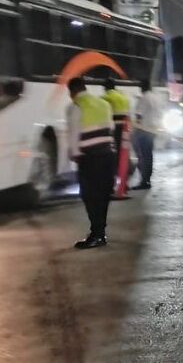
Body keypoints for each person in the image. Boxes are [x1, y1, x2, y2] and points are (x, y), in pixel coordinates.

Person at [66, 77, 115, 249]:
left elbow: (73, 135)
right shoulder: (103, 104)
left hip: (89, 158)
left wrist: (74, 155)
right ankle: (100, 232)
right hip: (107, 156)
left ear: (72, 91)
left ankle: (97, 235)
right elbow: (111, 128)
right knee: (103, 196)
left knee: (90, 196)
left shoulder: (75, 107)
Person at [131, 79, 164, 190]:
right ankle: (147, 179)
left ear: (142, 87)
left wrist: (135, 128)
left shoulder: (144, 98)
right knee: (149, 155)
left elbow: (138, 115)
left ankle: (144, 181)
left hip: (144, 130)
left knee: (143, 156)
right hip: (153, 129)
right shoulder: (156, 97)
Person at [102, 77, 131, 185]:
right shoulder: (123, 97)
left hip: (114, 129)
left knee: (114, 154)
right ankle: (125, 181)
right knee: (123, 153)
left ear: (105, 87)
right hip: (125, 128)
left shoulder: (105, 97)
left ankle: (113, 179)